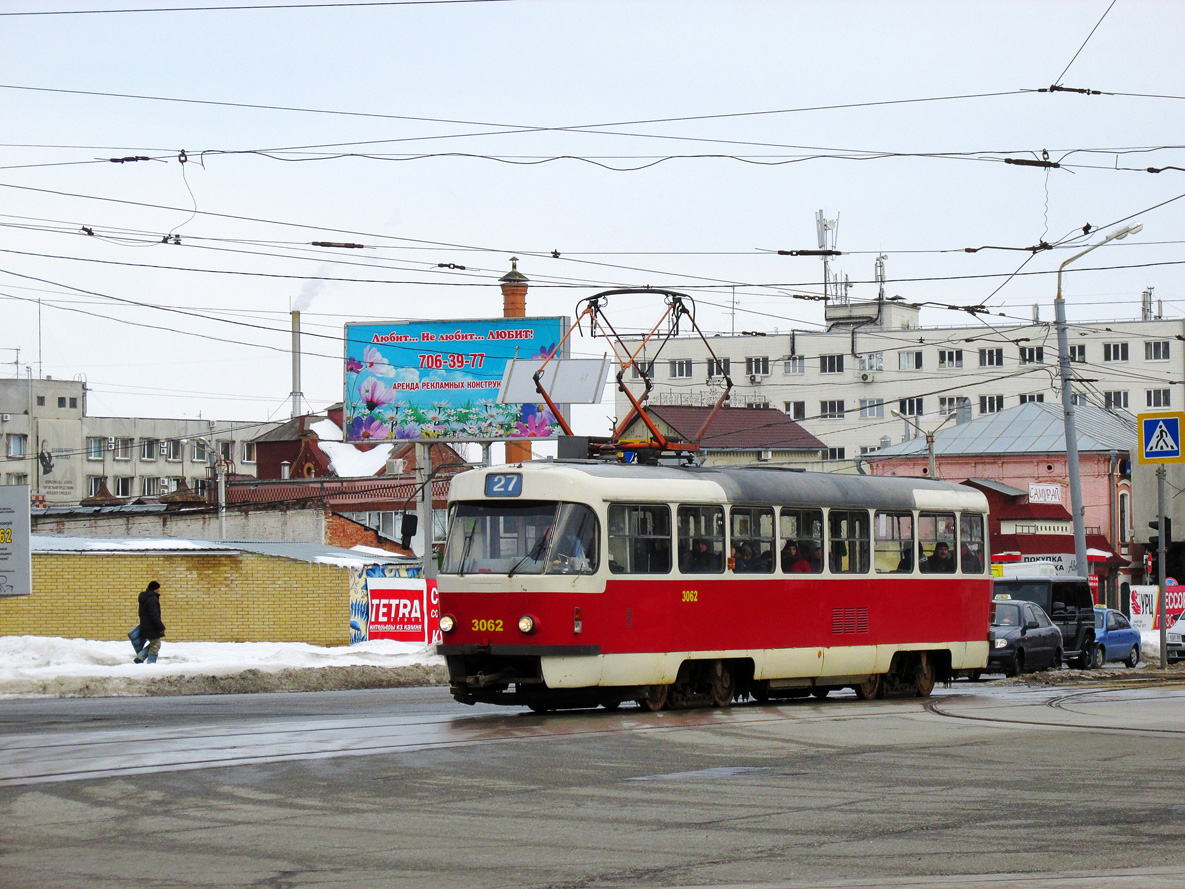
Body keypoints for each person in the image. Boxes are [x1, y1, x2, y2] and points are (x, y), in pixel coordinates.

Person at [135, 580, 165, 664]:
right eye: (158, 588)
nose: (159, 590)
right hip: (152, 626)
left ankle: (140, 658)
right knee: (156, 644)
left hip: (146, 625)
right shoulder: (152, 599)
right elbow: (154, 615)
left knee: (154, 643)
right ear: (155, 589)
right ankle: (151, 663)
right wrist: (161, 627)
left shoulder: (145, 598)